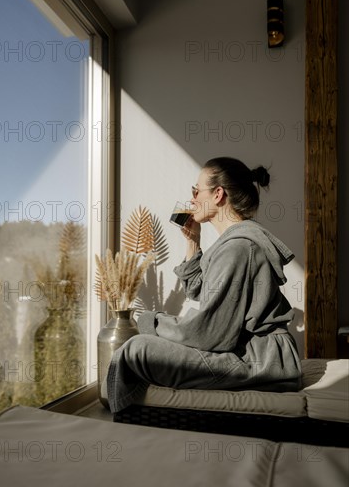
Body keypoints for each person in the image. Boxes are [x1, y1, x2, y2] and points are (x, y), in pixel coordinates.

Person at [106, 157, 302, 413]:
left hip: (260, 360)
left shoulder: (238, 248)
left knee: (136, 350)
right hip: (253, 353)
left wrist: (152, 322)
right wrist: (192, 243)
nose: (192, 199)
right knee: (139, 348)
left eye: (196, 191)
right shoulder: (235, 242)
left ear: (218, 194)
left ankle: (123, 422)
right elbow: (199, 291)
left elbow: (209, 334)